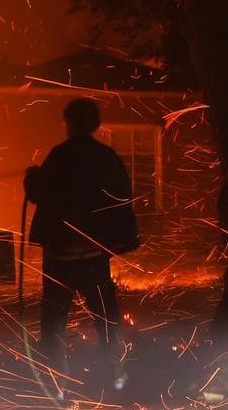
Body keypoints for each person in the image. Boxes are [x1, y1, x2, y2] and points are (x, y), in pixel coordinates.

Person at [24, 98, 140, 392]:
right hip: (93, 256)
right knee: (106, 320)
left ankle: (52, 384)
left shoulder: (60, 156)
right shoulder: (106, 158)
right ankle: (114, 379)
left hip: (60, 258)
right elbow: (122, 199)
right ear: (95, 125)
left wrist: (32, 179)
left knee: (53, 325)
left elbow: (40, 193)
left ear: (70, 123)